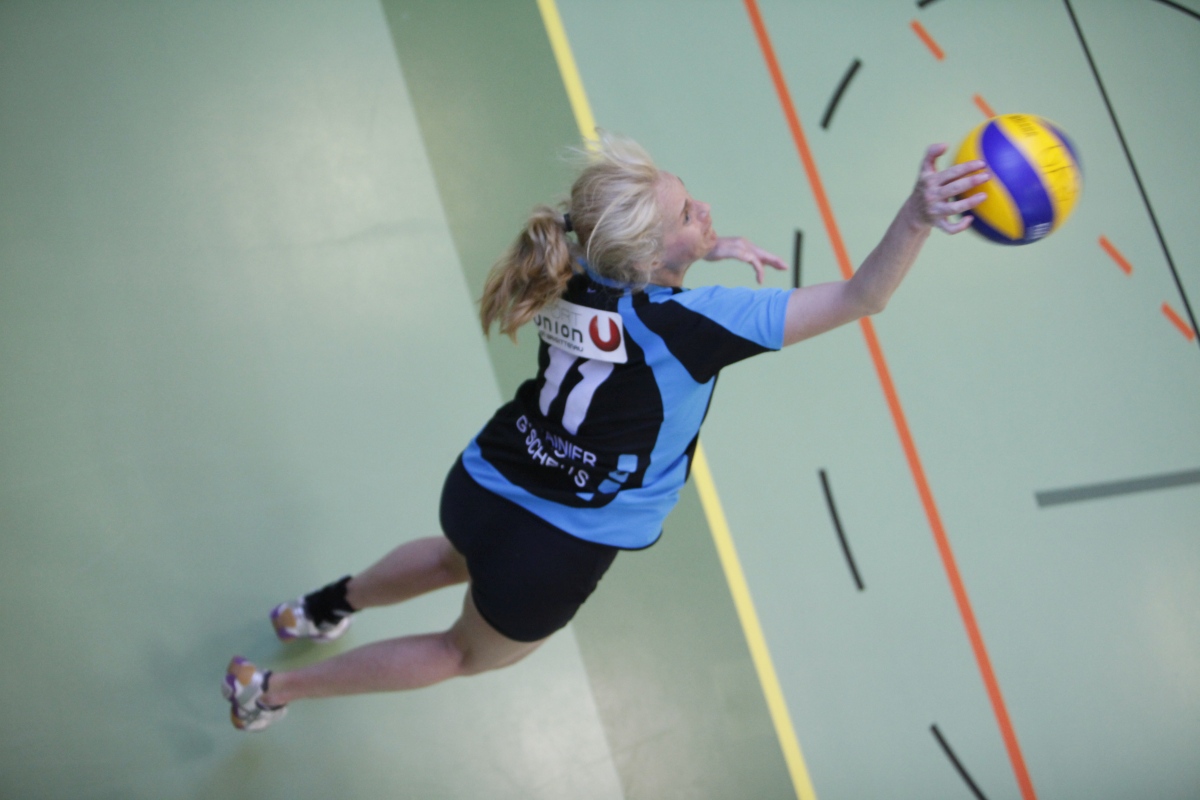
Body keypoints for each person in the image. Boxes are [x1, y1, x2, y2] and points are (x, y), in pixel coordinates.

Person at [223, 133, 988, 731]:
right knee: (460, 653)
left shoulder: (571, 258)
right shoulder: (698, 324)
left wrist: (703, 246)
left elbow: (638, 275)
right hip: (552, 550)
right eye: (687, 215)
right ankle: (271, 688)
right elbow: (861, 296)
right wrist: (918, 216)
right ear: (648, 255)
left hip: (486, 481)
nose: (704, 210)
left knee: (453, 556)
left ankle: (318, 607)